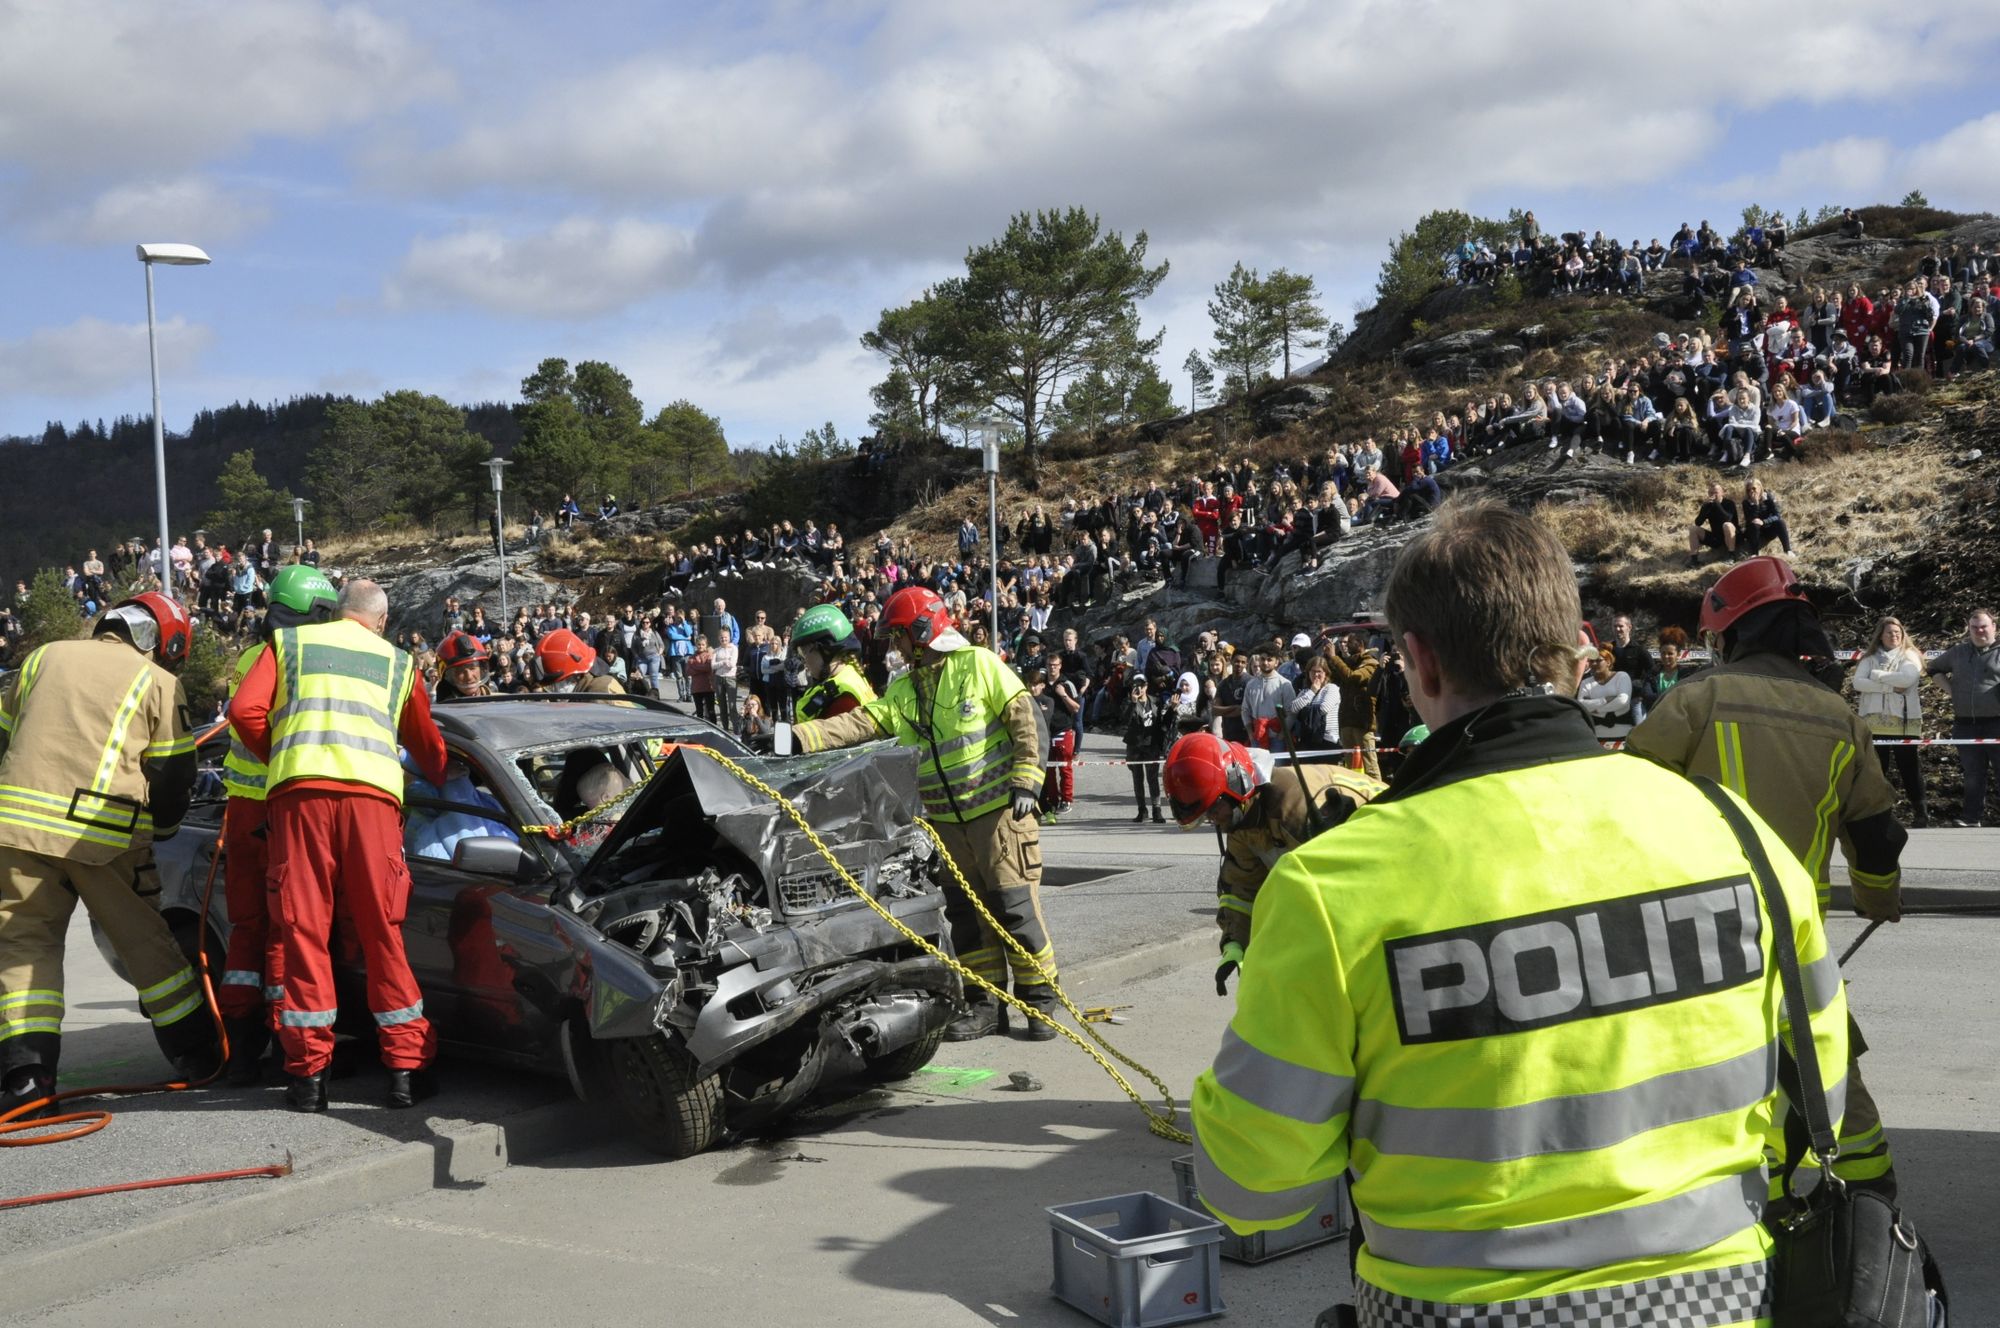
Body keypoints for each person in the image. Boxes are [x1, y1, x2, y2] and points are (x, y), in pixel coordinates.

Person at [1191, 503, 1847, 1323]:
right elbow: (1822, 1091)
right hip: (1724, 1301)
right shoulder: (1736, 833)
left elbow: (1251, 1187)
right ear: (1577, 652)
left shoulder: (1332, 886)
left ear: (1420, 664)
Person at [1626, 555, 1903, 1192]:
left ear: (1732, 634)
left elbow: (1626, 800)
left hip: (1698, 934)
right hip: (1799, 938)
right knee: (1820, 1063)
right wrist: (1877, 897)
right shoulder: (1842, 720)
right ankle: (1870, 1200)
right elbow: (1877, 833)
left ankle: (1760, 1202)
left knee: (1719, 1070)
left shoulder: (1699, 699)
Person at [784, 587, 1059, 1042]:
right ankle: (985, 1005)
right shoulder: (904, 688)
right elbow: (862, 722)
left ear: (921, 630)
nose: (894, 647)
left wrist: (1027, 783)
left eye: (898, 637)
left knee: (1013, 911)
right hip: (948, 824)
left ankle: (1040, 1004)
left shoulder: (979, 665)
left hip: (999, 815)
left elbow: (1026, 721)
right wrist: (798, 737)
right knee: (968, 917)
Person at [227, 580, 449, 1112]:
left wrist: (282, 757)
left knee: (303, 931)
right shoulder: (397, 662)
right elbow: (425, 742)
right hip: (372, 804)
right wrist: (443, 775)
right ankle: (404, 1070)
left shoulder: (291, 645)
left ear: (337, 611)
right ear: (380, 619)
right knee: (381, 931)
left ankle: (308, 1080)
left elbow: (244, 713)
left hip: (299, 800)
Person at [0, 593, 217, 1117]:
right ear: (165, 641)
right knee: (147, 946)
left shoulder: (44, 656)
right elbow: (172, 772)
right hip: (103, 835)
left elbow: (5, 735)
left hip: (16, 827)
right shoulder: (158, 682)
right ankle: (198, 1054)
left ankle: (27, 1080)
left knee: (24, 949)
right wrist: (164, 828)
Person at [216, 566, 340, 1084]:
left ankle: (241, 1050)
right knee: (288, 929)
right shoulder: (299, 660)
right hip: (279, 808)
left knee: (246, 928)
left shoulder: (252, 656)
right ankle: (291, 1050)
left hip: (240, 808)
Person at [1163, 731, 1381, 996]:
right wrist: (1234, 944)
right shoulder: (1243, 818)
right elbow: (1242, 888)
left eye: (1213, 809)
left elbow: (1345, 895)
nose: (1212, 820)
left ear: (1237, 783)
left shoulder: (1296, 808)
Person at [1924, 607, 2000, 826]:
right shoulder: (1958, 652)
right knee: (1973, 775)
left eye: (1984, 626)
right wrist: (1951, 691)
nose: (1979, 631)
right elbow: (1933, 668)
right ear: (1969, 629)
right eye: (1974, 627)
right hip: (1965, 725)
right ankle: (1971, 818)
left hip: (1996, 723)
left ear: (1993, 627)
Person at [1854, 616, 1929, 828]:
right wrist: (1888, 685)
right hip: (1875, 721)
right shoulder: (1868, 658)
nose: (1894, 636)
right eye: (1889, 632)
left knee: (1910, 767)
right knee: (1878, 769)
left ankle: (1921, 813)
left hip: (1904, 721)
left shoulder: (1910, 655)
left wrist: (1877, 676)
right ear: (1880, 635)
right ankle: (1878, 813)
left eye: (1898, 633)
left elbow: (1907, 680)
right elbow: (1858, 683)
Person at [791, 604, 877, 722]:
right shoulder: (850, 674)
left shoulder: (842, 701)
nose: (803, 660)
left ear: (826, 649)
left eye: (804, 652)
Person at [1122, 675, 1173, 823]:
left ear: (1147, 686)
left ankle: (1157, 810)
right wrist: (1132, 702)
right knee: (1137, 778)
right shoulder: (1128, 701)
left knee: (1152, 778)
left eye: (1142, 685)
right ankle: (1141, 810)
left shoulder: (1156, 701)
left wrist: (1172, 710)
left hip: (1151, 744)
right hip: (1135, 745)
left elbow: (1164, 722)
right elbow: (1125, 720)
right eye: (1136, 685)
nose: (1139, 688)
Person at [536, 628, 623, 695]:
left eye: (554, 683)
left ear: (573, 678)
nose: (551, 689)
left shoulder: (600, 691)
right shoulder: (583, 689)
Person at [1576, 645, 1635, 737]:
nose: (1594, 664)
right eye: (1592, 661)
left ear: (1608, 662)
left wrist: (1598, 709)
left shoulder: (1622, 677)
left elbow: (1622, 701)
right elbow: (1582, 705)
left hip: (1623, 733)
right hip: (1596, 735)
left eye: (1598, 660)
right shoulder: (1585, 683)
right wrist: (1605, 700)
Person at [1687, 479, 1738, 567]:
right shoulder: (1708, 505)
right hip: (1716, 538)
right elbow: (1698, 523)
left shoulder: (1729, 503)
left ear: (1722, 493)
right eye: (1710, 493)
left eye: (1715, 492)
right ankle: (1694, 560)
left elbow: (1727, 518)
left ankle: (1731, 556)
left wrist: (1716, 504)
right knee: (1693, 529)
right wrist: (1704, 507)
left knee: (1727, 525)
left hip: (1733, 536)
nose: (1713, 495)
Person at [434, 630, 494, 701]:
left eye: (472, 668)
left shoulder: (500, 703)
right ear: (448, 677)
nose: (469, 676)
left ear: (482, 669)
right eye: (460, 671)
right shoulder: (436, 710)